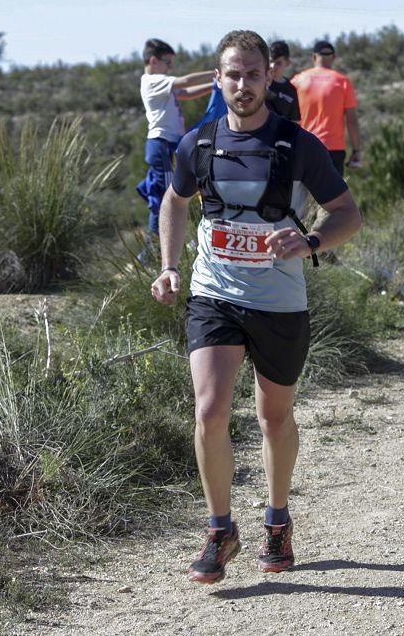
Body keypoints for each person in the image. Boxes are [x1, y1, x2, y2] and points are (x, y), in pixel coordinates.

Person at [150, 29, 362, 584]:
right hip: (214, 295)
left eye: (252, 74)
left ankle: (277, 520)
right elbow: (174, 200)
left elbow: (346, 213)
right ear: (217, 80)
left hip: (279, 301)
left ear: (270, 77)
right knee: (210, 410)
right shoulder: (197, 143)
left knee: (273, 417)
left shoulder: (299, 145)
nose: (242, 85)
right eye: (232, 75)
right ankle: (220, 531)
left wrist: (311, 240)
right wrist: (170, 266)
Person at [135, 39, 215, 260]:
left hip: (165, 145)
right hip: (162, 144)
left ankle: (154, 249)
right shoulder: (152, 81)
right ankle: (152, 251)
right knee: (166, 198)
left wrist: (215, 84)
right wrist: (218, 72)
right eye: (167, 62)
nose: (169, 67)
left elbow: (187, 92)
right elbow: (185, 81)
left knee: (164, 196)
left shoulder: (161, 84)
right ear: (153, 60)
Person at [291, 40, 361, 175]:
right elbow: (351, 121)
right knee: (332, 195)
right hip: (334, 149)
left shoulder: (297, 81)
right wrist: (356, 150)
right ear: (333, 58)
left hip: (304, 146)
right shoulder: (342, 81)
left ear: (313, 57)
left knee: (301, 194)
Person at [265, 40, 301, 122]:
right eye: (270, 61)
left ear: (287, 62)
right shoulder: (260, 84)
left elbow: (294, 121)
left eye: (278, 63)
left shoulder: (291, 90)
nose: (272, 66)